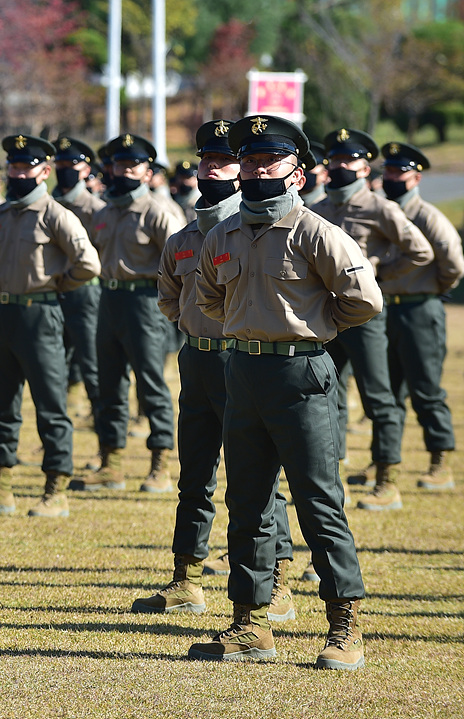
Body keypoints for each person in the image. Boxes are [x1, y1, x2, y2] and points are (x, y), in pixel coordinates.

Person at [190, 115, 379, 670]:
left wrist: (312, 328)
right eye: (248, 161)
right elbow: (207, 299)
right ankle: (250, 624)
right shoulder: (221, 234)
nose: (255, 170)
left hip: (301, 377)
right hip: (242, 374)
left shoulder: (315, 232)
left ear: (297, 172)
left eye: (268, 161)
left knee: (319, 502)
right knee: (246, 503)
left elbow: (363, 299)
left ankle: (345, 626)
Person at [134, 120, 294, 622]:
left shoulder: (249, 233)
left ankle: (279, 581)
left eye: (223, 162)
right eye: (205, 161)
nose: (211, 170)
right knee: (195, 470)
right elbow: (168, 296)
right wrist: (193, 328)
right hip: (197, 358)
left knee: (258, 474)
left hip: (240, 357)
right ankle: (187, 577)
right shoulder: (184, 237)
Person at [0, 134, 100, 518]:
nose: (18, 173)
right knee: (1, 406)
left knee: (51, 405)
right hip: (3, 317)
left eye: (26, 167)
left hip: (41, 315)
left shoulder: (56, 215)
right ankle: (0, 487)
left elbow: (88, 264)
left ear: (44, 172)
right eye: (13, 166)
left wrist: (58, 284)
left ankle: (55, 488)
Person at [310, 129, 433, 510]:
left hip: (364, 318)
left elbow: (420, 252)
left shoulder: (380, 207)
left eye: (347, 161)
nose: (339, 166)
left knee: (378, 398)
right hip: (329, 316)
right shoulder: (322, 208)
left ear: (365, 167)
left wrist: (379, 275)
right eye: (334, 160)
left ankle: (387, 480)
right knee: (323, 394)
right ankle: (328, 476)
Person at [75, 134, 183, 494]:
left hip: (144, 302)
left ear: (147, 171)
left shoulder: (158, 211)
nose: (124, 171)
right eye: (119, 164)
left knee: (151, 384)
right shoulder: (105, 211)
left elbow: (179, 262)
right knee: (110, 385)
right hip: (109, 300)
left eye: (132, 165)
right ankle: (112, 462)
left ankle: (160, 463)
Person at [380, 141, 464, 491]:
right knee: (388, 393)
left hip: (420, 309)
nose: (391, 177)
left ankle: (439, 461)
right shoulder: (381, 211)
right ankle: (384, 461)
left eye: (399, 172)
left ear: (415, 179)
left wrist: (427, 289)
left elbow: (453, 265)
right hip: (386, 309)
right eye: (388, 171)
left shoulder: (427, 216)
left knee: (425, 390)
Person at [51, 136, 105, 432]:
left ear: (86, 169)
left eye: (70, 164)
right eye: (59, 164)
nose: (64, 169)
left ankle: (102, 430)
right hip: (52, 293)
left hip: (86, 292)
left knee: (92, 363)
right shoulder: (49, 205)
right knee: (54, 364)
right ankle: (60, 429)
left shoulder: (97, 209)